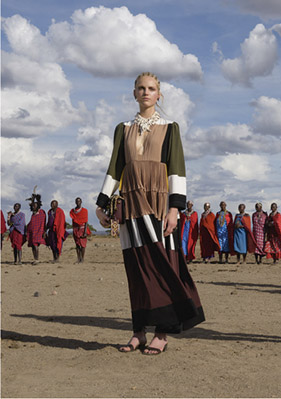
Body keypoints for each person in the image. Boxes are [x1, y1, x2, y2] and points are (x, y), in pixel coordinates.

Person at [95, 71, 204, 355]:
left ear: (159, 95)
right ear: (134, 93)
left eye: (151, 88)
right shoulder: (123, 128)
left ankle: (162, 332)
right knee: (137, 269)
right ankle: (138, 332)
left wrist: (174, 208)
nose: (146, 92)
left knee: (161, 266)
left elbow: (178, 170)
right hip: (130, 205)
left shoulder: (171, 128)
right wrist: (102, 203)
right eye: (141, 88)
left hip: (157, 205)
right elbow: (115, 167)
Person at [26, 193, 46, 264]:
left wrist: (44, 232)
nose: (34, 207)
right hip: (32, 231)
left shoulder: (41, 212)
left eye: (35, 205)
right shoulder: (33, 214)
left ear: (38, 206)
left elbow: (43, 223)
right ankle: (35, 259)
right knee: (32, 245)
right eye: (33, 206)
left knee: (35, 244)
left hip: (39, 231)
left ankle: (37, 259)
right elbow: (31, 223)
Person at [70, 197, 90, 263]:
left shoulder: (84, 211)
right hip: (75, 229)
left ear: (81, 202)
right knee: (77, 245)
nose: (78, 202)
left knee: (83, 245)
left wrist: (85, 232)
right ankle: (78, 258)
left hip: (82, 228)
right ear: (75, 202)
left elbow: (86, 221)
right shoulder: (72, 211)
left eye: (79, 201)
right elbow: (73, 221)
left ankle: (82, 258)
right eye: (77, 201)